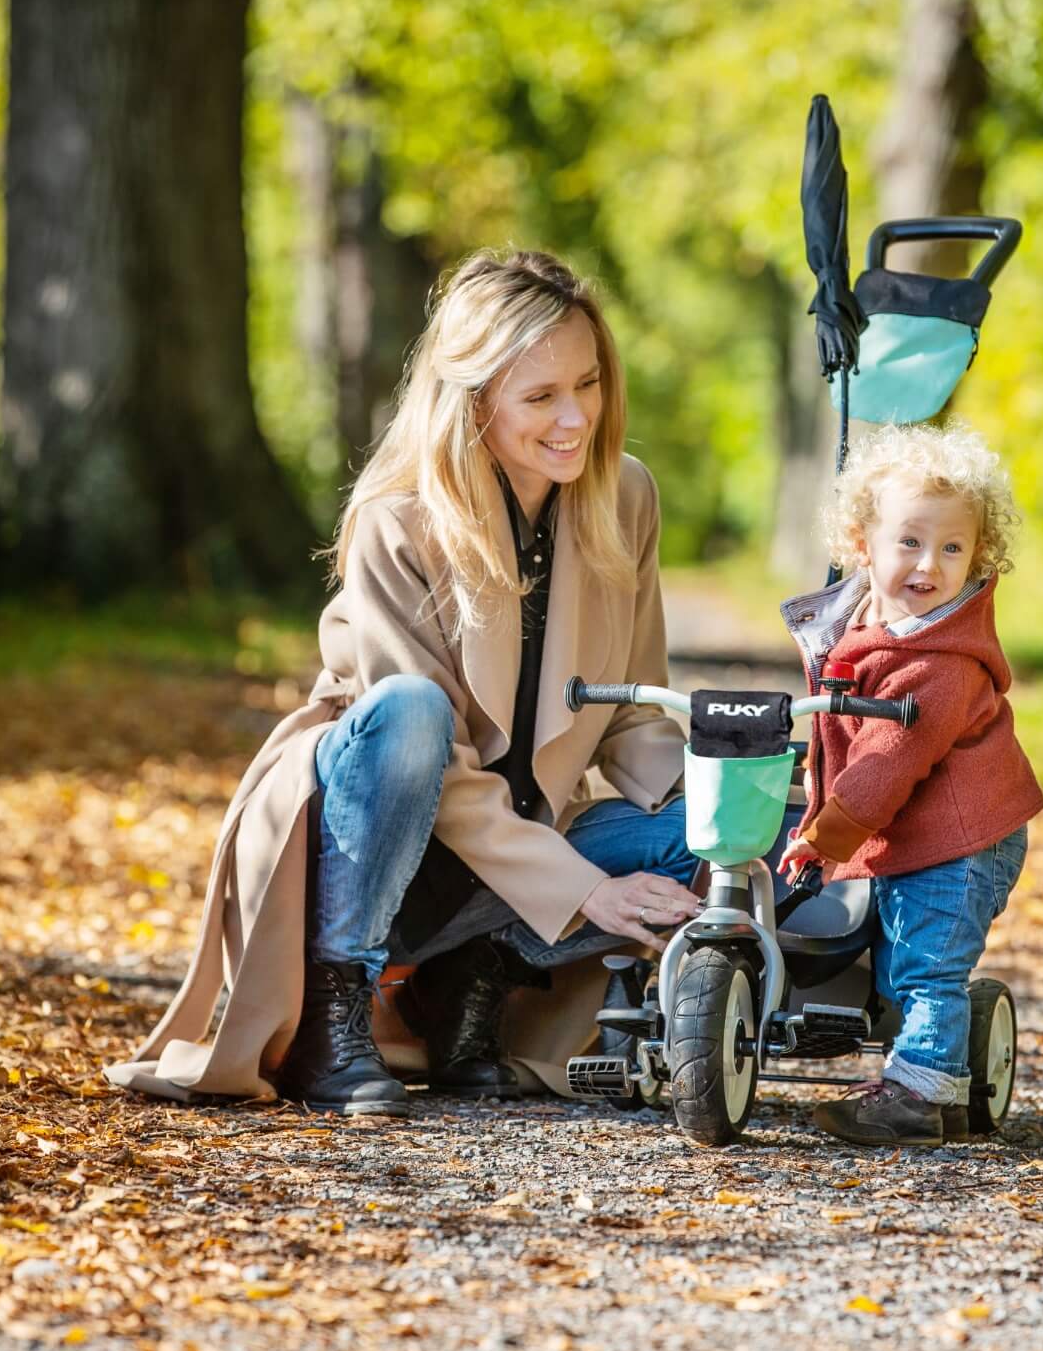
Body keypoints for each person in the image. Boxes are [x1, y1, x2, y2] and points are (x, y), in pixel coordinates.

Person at [106, 251, 702, 1112]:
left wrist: (722, 800)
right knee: (416, 711)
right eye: (541, 397)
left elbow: (633, 711)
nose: (575, 417)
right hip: (380, 841)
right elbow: (442, 770)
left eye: (588, 383)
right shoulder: (400, 520)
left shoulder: (625, 496)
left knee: (720, 841)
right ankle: (334, 1009)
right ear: (474, 403)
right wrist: (589, 890)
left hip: (515, 851)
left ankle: (473, 974)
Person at [774, 421, 1043, 1147]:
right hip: (927, 834)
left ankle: (919, 1095)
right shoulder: (870, 618)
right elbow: (838, 723)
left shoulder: (941, 660)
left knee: (927, 961)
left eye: (952, 548)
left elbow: (887, 758)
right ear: (862, 544)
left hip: (963, 841)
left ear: (978, 554)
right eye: (909, 542)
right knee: (903, 957)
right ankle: (944, 1084)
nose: (929, 564)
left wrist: (824, 836)